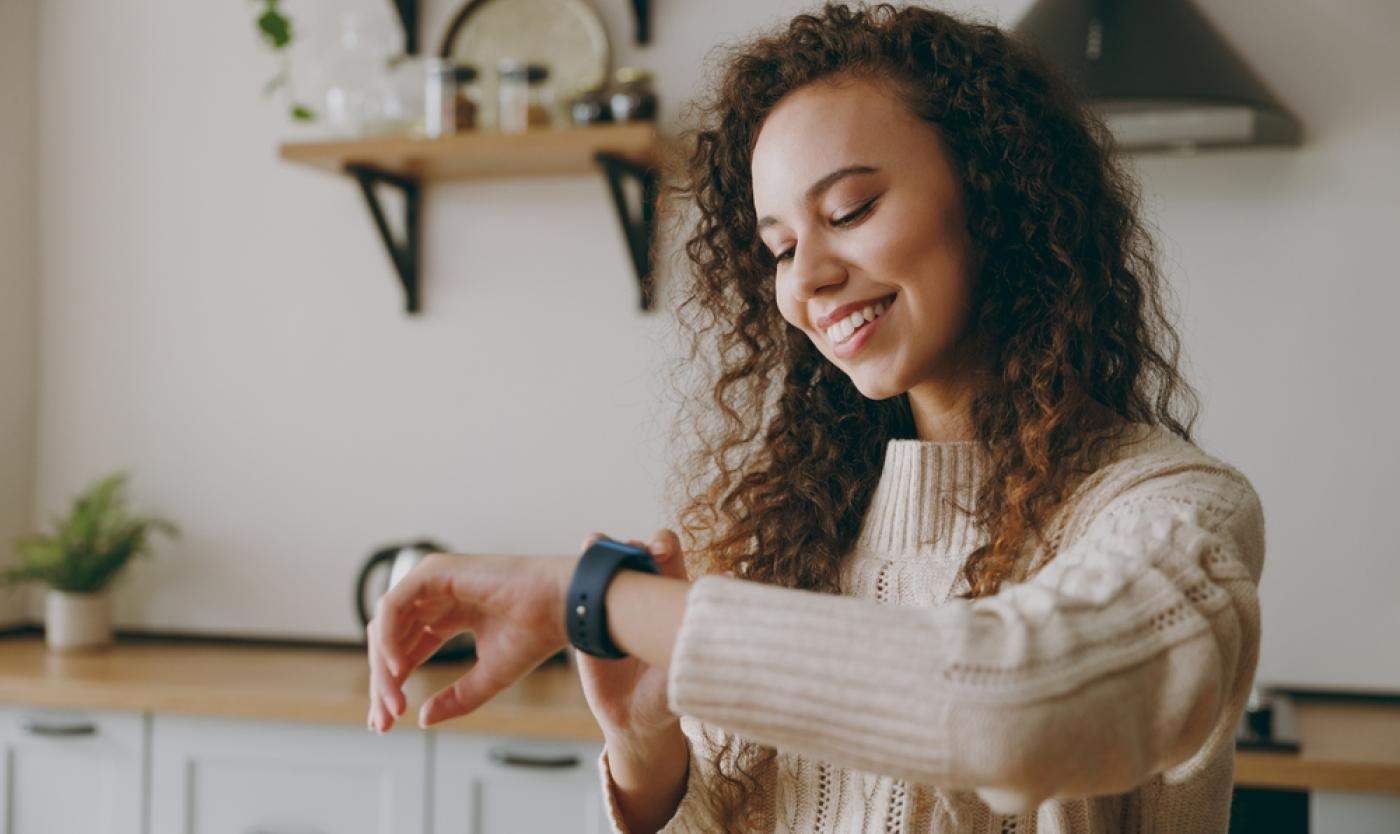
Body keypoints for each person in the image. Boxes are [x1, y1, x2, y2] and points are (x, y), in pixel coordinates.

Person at [364, 3, 1267, 832]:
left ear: (995, 198)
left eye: (851, 210)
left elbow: (1007, 709)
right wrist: (649, 755)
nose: (806, 280)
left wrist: (591, 598)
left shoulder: (1174, 513)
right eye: (781, 248)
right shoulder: (794, 532)